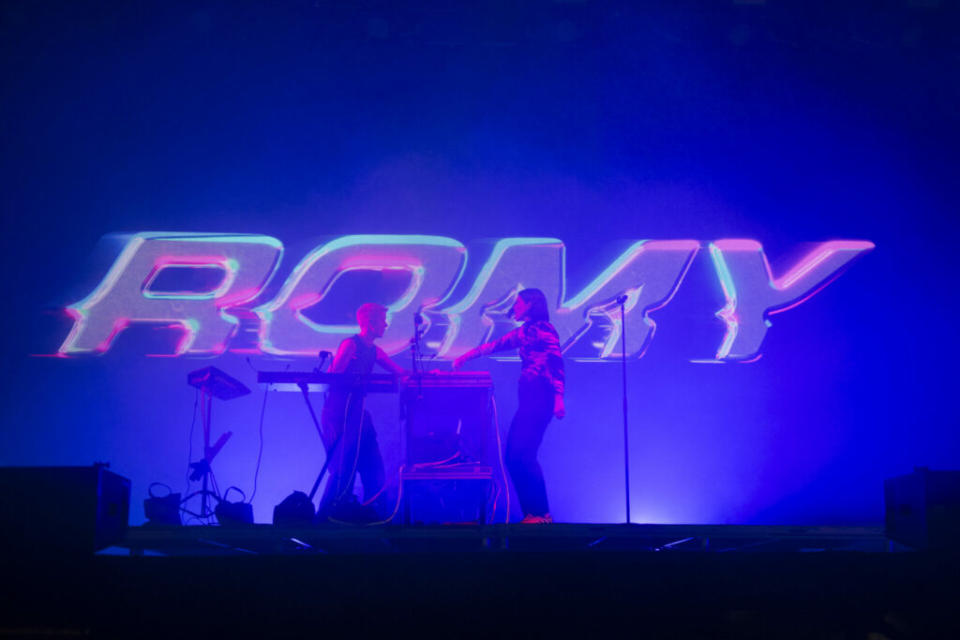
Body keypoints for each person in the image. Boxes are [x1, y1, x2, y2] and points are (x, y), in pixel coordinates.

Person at [453, 288, 565, 524]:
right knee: (515, 456)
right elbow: (494, 345)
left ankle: (541, 513)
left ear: (531, 305)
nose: (515, 306)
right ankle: (533, 514)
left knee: (523, 454)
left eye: (519, 303)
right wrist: (465, 357)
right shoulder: (524, 332)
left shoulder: (544, 329)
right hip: (528, 397)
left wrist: (558, 397)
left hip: (541, 395)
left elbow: (555, 361)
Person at [318, 302, 407, 521]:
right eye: (382, 320)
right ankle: (325, 519)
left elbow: (399, 372)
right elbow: (334, 375)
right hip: (339, 414)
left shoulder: (375, 351)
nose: (386, 324)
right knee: (342, 470)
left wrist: (426, 375)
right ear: (369, 322)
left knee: (374, 472)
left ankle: (372, 519)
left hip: (358, 417)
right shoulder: (351, 345)